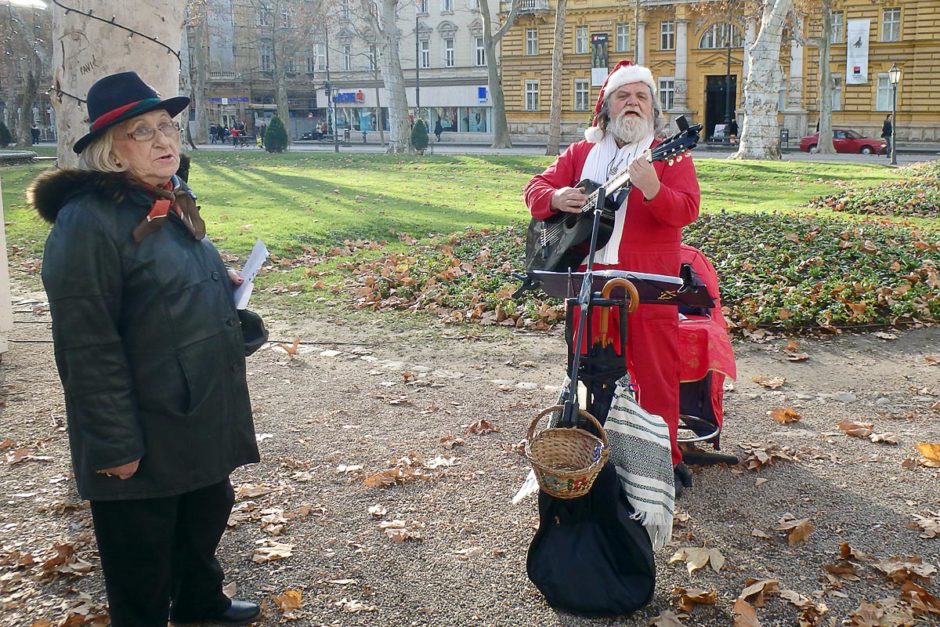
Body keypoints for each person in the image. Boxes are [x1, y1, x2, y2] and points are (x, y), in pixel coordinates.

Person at [27, 71, 261, 626]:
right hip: (142, 420)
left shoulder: (168, 198)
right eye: (143, 132)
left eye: (167, 126)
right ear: (111, 150)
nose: (164, 141)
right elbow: (86, 344)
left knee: (205, 510)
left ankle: (200, 604)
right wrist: (114, 445)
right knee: (141, 550)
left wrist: (218, 290)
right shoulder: (86, 223)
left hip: (193, 406)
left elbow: (162, 286)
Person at [524, 60, 700, 487]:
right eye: (624, 96)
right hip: (588, 278)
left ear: (654, 108)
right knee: (586, 370)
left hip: (646, 284)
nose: (633, 103)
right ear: (606, 106)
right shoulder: (582, 152)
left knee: (654, 376)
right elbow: (534, 189)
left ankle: (664, 463)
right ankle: (588, 449)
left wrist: (654, 189)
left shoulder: (668, 156)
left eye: (642, 96)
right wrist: (556, 196)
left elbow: (688, 209)